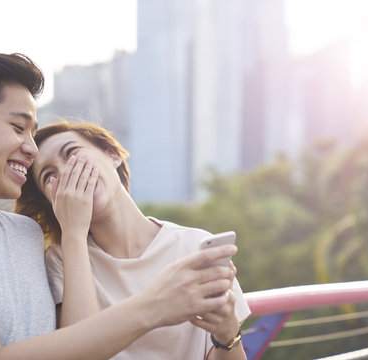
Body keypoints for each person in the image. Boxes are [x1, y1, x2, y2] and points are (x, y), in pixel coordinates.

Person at [0, 51, 242, 360]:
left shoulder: (27, 235)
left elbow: (79, 342)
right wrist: (158, 304)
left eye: (33, 133)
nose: (31, 148)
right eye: (18, 127)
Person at [15, 121, 251, 360]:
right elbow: (80, 352)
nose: (68, 173)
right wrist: (73, 233)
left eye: (72, 153)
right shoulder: (62, 260)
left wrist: (228, 333)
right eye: (49, 176)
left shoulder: (196, 246)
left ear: (112, 156)